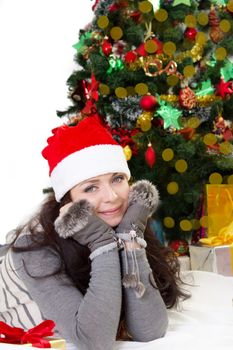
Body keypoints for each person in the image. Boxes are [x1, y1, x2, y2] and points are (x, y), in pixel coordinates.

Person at [0, 115, 188, 350]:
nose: (111, 197)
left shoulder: (123, 219)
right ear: (68, 200)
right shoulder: (35, 250)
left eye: (117, 179)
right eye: (91, 187)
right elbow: (96, 341)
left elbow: (149, 330)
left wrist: (130, 234)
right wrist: (102, 243)